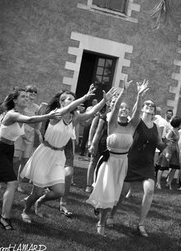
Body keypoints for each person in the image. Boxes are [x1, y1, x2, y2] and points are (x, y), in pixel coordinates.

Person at [0, 88, 60, 230]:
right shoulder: (12, 114)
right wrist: (48, 115)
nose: (27, 99)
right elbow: (31, 120)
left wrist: (42, 116)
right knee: (12, 182)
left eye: (28, 97)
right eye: (23, 97)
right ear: (15, 100)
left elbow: (35, 124)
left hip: (8, 149)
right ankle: (4, 218)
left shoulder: (22, 113)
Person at [19, 84, 116, 223]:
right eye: (68, 99)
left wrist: (104, 101)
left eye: (72, 98)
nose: (71, 101)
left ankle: (39, 202)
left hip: (59, 156)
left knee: (59, 192)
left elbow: (91, 112)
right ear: (61, 102)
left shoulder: (74, 118)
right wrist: (85, 97)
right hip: (45, 153)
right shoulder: (55, 114)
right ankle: (25, 211)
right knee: (37, 191)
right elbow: (70, 108)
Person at [87, 79, 148, 236]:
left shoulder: (132, 126)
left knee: (115, 193)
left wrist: (140, 96)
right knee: (107, 191)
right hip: (109, 161)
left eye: (126, 108)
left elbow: (138, 111)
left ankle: (102, 211)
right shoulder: (112, 123)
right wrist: (124, 92)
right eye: (122, 108)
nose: (124, 110)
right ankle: (101, 223)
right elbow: (113, 108)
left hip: (123, 163)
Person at [108, 98, 168, 237]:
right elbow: (134, 112)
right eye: (147, 104)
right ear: (141, 108)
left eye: (152, 105)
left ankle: (141, 224)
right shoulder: (135, 122)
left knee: (150, 190)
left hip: (147, 163)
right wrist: (140, 95)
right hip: (132, 161)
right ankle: (111, 214)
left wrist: (167, 143)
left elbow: (159, 145)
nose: (150, 106)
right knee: (123, 193)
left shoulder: (156, 127)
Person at [14, 85, 42, 194]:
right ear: (26, 92)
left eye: (35, 92)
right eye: (31, 92)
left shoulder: (36, 107)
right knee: (14, 159)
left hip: (30, 135)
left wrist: (38, 132)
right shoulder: (22, 104)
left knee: (25, 160)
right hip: (19, 133)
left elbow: (38, 122)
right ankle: (3, 179)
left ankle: (19, 183)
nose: (33, 94)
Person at [164, 116, 181, 190]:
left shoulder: (177, 131)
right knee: (164, 166)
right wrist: (167, 151)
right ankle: (160, 181)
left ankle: (169, 182)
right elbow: (166, 140)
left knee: (174, 167)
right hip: (170, 149)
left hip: (176, 149)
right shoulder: (171, 131)